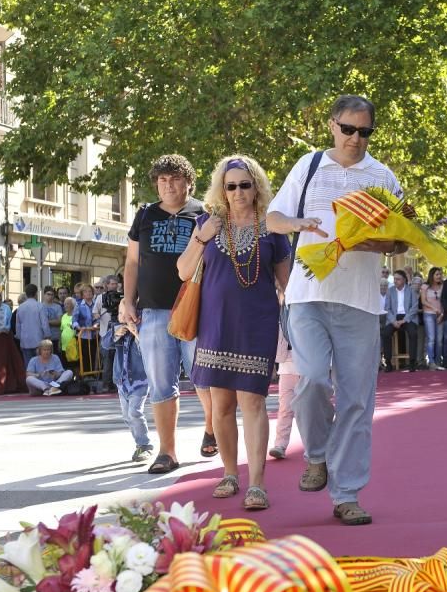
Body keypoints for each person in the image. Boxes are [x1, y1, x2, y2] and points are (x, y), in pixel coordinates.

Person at [267, 94, 408, 526]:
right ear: (332, 126)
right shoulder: (309, 165)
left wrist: (374, 241)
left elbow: (402, 241)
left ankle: (346, 494)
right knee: (308, 380)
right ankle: (317, 455)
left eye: (365, 132)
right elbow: (273, 218)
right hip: (307, 295)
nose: (355, 139)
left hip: (361, 302)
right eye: (348, 129)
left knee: (356, 402)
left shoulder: (382, 175)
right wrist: (299, 225)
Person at [179, 155, 290, 511]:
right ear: (221, 190)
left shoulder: (272, 226)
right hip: (215, 325)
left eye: (245, 184)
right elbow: (183, 271)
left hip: (256, 325)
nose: (238, 191)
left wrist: (296, 327)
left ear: (256, 186)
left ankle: (257, 484)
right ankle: (229, 474)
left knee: (253, 402)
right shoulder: (206, 223)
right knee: (222, 406)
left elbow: (288, 284)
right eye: (231, 186)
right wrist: (201, 237)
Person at [118, 154, 208, 475]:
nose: (168, 185)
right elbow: (131, 263)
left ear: (188, 182)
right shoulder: (145, 215)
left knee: (205, 378)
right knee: (160, 385)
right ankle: (166, 452)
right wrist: (128, 301)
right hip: (153, 311)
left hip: (195, 307)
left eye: (174, 179)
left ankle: (212, 429)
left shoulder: (203, 213)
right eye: (162, 180)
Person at [112, 323, 153, 463]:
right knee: (127, 416)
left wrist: (137, 334)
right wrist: (116, 333)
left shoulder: (143, 328)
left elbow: (148, 349)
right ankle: (139, 443)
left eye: (126, 314)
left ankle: (145, 444)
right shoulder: (117, 328)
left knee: (134, 412)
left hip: (139, 381)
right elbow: (105, 344)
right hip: (122, 382)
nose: (124, 317)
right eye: (120, 314)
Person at [269, 324, 299, 460]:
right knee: (285, 408)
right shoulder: (281, 315)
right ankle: (280, 445)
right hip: (286, 366)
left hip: (309, 367)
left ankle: (316, 446)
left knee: (310, 411)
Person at [381, 269, 419, 372]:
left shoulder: (411, 290)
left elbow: (414, 307)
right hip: (394, 317)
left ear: (404, 280)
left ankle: (412, 362)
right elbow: (387, 308)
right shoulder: (390, 290)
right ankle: (388, 362)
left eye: (398, 279)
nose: (395, 281)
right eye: (394, 279)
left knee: (413, 333)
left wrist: (404, 320)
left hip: (408, 318)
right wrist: (393, 321)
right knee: (385, 333)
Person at [15, 284, 51, 365]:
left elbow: (18, 325)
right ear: (36, 293)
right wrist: (48, 336)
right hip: (38, 340)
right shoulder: (39, 306)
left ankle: (29, 377)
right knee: (41, 364)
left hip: (25, 341)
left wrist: (19, 337)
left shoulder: (20, 307)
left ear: (26, 294)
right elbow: (44, 323)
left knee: (28, 365)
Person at [420, 266, 445, 370]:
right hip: (429, 314)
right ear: (432, 276)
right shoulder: (425, 286)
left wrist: (442, 314)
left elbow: (445, 301)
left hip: (440, 315)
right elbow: (423, 301)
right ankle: (431, 362)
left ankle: (438, 362)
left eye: (440, 274)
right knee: (431, 339)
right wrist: (434, 308)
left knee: (439, 340)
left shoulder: (443, 286)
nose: (439, 276)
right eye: (437, 274)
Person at [72, 285, 98, 375]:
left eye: (90, 291)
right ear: (82, 294)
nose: (88, 293)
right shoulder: (78, 304)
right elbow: (74, 320)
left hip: (95, 335)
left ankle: (95, 375)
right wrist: (79, 327)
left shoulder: (97, 303)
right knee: (84, 356)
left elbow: (99, 318)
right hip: (83, 335)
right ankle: (85, 376)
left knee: (94, 355)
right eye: (86, 291)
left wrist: (96, 325)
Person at [41, 287, 64, 357]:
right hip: (43, 337)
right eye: (48, 294)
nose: (50, 296)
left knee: (55, 357)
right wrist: (51, 322)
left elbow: (59, 321)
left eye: (52, 295)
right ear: (44, 295)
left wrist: (45, 322)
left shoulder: (57, 307)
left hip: (55, 337)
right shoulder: (39, 306)